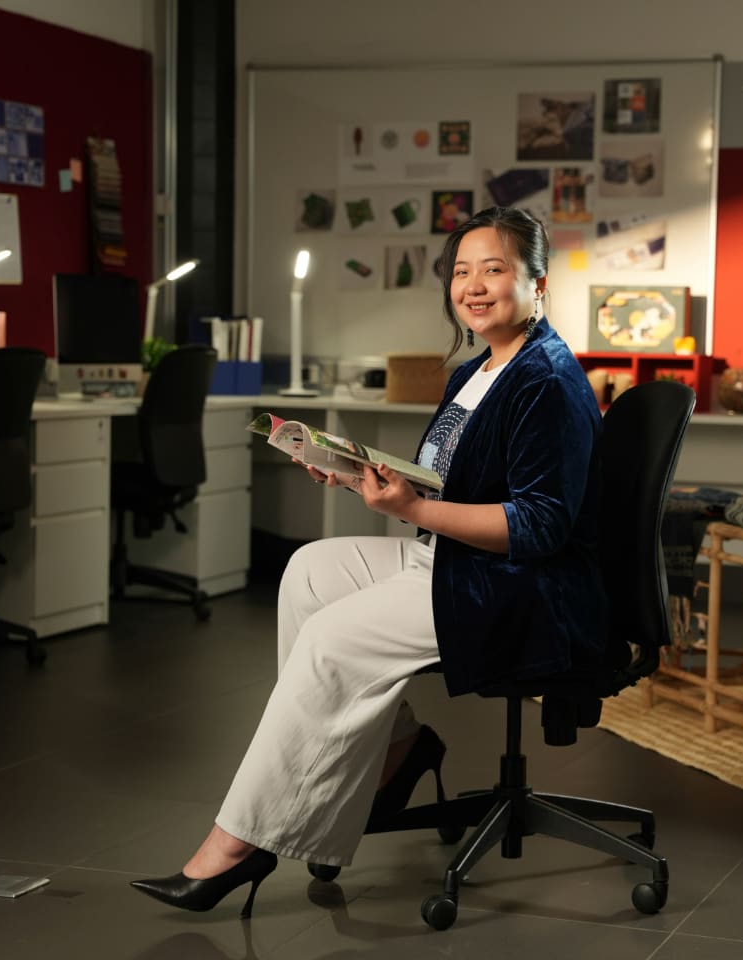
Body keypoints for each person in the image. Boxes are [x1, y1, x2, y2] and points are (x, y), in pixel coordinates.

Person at [130, 206, 607, 917]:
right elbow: (448, 483)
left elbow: (537, 526)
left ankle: (241, 842)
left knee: (329, 640)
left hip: (519, 588)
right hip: (453, 559)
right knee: (308, 572)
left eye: (495, 270)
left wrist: (409, 511)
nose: (473, 287)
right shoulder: (480, 370)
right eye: (462, 271)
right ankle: (400, 751)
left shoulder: (546, 381)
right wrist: (358, 474)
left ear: (538, 284)